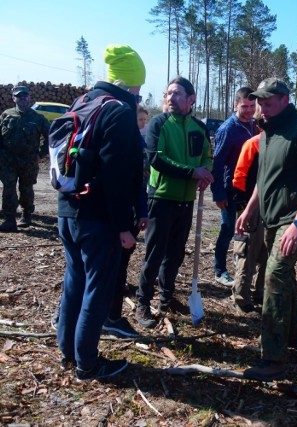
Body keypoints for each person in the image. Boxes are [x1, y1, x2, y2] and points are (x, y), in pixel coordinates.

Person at [55, 44, 145, 380]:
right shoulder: (119, 111)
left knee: (74, 280)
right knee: (98, 287)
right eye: (138, 86)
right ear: (129, 83)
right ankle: (88, 364)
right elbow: (116, 174)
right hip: (99, 217)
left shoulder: (83, 101)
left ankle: (68, 351)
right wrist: (124, 226)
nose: (139, 93)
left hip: (68, 209)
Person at [235, 78, 297, 381]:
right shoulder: (266, 132)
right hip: (271, 217)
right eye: (259, 101)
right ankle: (294, 335)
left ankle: (272, 358)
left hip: (294, 218)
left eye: (268, 101)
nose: (262, 107)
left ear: (285, 100)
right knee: (283, 273)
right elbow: (265, 177)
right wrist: (250, 209)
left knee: (274, 274)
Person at [135, 76, 213, 329]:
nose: (171, 98)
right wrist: (192, 173)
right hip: (161, 198)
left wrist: (205, 172)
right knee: (154, 254)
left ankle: (166, 297)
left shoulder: (200, 129)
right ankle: (143, 302)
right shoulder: (158, 124)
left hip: (186, 201)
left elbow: (207, 157)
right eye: (168, 93)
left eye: (177, 93)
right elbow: (157, 159)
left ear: (191, 99)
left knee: (176, 254)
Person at [102, 99, 149, 339]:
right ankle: (108, 317)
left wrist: (142, 211)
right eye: (137, 120)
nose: (140, 124)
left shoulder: (138, 143)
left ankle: (110, 314)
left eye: (143, 120)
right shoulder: (118, 140)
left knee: (120, 265)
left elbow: (140, 183)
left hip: (128, 215)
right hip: (112, 217)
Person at [211, 87, 256, 287]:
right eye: (244, 106)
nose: (249, 110)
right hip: (230, 190)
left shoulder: (255, 126)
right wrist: (218, 192)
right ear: (235, 105)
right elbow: (217, 163)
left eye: (252, 106)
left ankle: (241, 263)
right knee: (228, 228)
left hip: (249, 189)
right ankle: (219, 270)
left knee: (246, 229)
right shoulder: (227, 129)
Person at [230, 107, 267, 314]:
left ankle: (261, 291)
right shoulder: (252, 144)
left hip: (271, 208)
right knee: (247, 252)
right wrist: (244, 206)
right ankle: (241, 297)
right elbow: (239, 176)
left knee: (268, 253)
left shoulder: (280, 146)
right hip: (251, 208)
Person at [0, 85, 50, 232]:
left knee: (26, 189)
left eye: (25, 96)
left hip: (28, 162)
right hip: (8, 161)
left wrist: (41, 154)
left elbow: (50, 138)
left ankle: (26, 214)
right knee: (9, 188)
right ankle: (9, 219)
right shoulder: (6, 115)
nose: (23, 99)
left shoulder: (38, 118)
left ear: (29, 98)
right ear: (13, 98)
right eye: (19, 96)